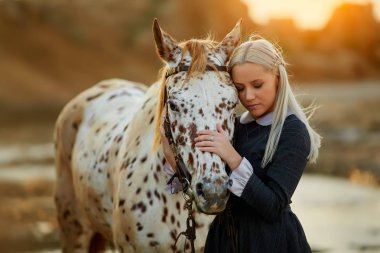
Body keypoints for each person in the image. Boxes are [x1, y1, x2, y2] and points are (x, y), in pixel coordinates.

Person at [162, 35, 321, 253]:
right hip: (223, 240)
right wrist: (171, 149)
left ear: (278, 78)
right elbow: (185, 187)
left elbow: (274, 207)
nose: (249, 96)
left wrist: (233, 159)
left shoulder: (293, 131)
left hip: (269, 242)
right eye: (239, 88)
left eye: (257, 85)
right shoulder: (234, 125)